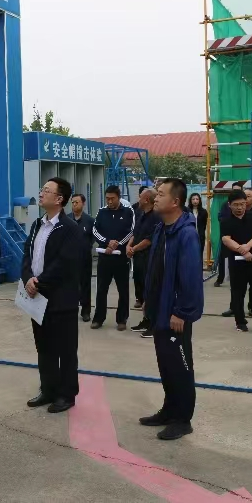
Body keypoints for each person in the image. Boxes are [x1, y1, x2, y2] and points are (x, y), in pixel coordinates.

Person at [140, 178, 204, 440]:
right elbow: (156, 270)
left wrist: (182, 311)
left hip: (176, 313)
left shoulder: (186, 234)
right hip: (160, 309)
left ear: (175, 201)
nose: (155, 197)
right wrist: (149, 299)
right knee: (166, 364)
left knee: (180, 366)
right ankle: (169, 410)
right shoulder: (162, 229)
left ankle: (182, 419)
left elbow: (190, 277)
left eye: (161, 194)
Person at [22, 177, 84, 414]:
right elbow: (27, 256)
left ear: (59, 199)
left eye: (46, 190)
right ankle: (48, 389)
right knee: (44, 348)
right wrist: (28, 278)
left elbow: (65, 264)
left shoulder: (70, 229)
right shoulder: (37, 225)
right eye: (42, 189)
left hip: (61, 300)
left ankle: (66, 394)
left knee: (65, 350)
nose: (41, 193)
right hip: (38, 298)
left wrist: (39, 282)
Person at [220, 189, 252, 333]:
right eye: (236, 205)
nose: (239, 207)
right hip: (237, 263)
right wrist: (242, 250)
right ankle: (240, 322)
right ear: (229, 205)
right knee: (237, 293)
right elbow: (226, 239)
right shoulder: (226, 220)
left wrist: (248, 247)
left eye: (242, 204)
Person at [91, 185, 135, 331]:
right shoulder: (101, 212)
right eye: (107, 198)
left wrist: (118, 244)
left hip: (121, 258)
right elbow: (95, 230)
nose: (109, 201)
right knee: (101, 289)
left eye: (112, 198)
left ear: (119, 197)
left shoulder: (128, 212)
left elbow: (132, 231)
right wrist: (107, 242)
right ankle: (98, 318)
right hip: (104, 257)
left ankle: (122, 319)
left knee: (123, 290)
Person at [128, 188, 161, 338]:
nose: (138, 199)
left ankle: (154, 324)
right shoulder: (141, 214)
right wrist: (129, 246)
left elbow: (149, 239)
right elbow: (135, 233)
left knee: (151, 292)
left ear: (147, 199)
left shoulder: (156, 216)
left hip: (149, 258)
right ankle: (146, 320)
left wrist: (133, 249)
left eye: (140, 197)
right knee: (141, 290)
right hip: (138, 259)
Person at [70, 194, 95, 321]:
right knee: (70, 286)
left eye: (77, 202)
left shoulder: (90, 221)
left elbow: (93, 237)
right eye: (73, 202)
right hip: (69, 260)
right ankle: (70, 310)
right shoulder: (66, 219)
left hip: (84, 259)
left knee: (85, 285)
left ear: (83, 203)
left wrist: (86, 246)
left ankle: (86, 312)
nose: (74, 205)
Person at [214, 183, 243, 287]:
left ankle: (241, 278)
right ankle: (220, 278)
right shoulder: (225, 205)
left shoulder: (244, 205)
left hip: (240, 236)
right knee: (223, 257)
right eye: (234, 190)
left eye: (238, 190)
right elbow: (220, 218)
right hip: (227, 235)